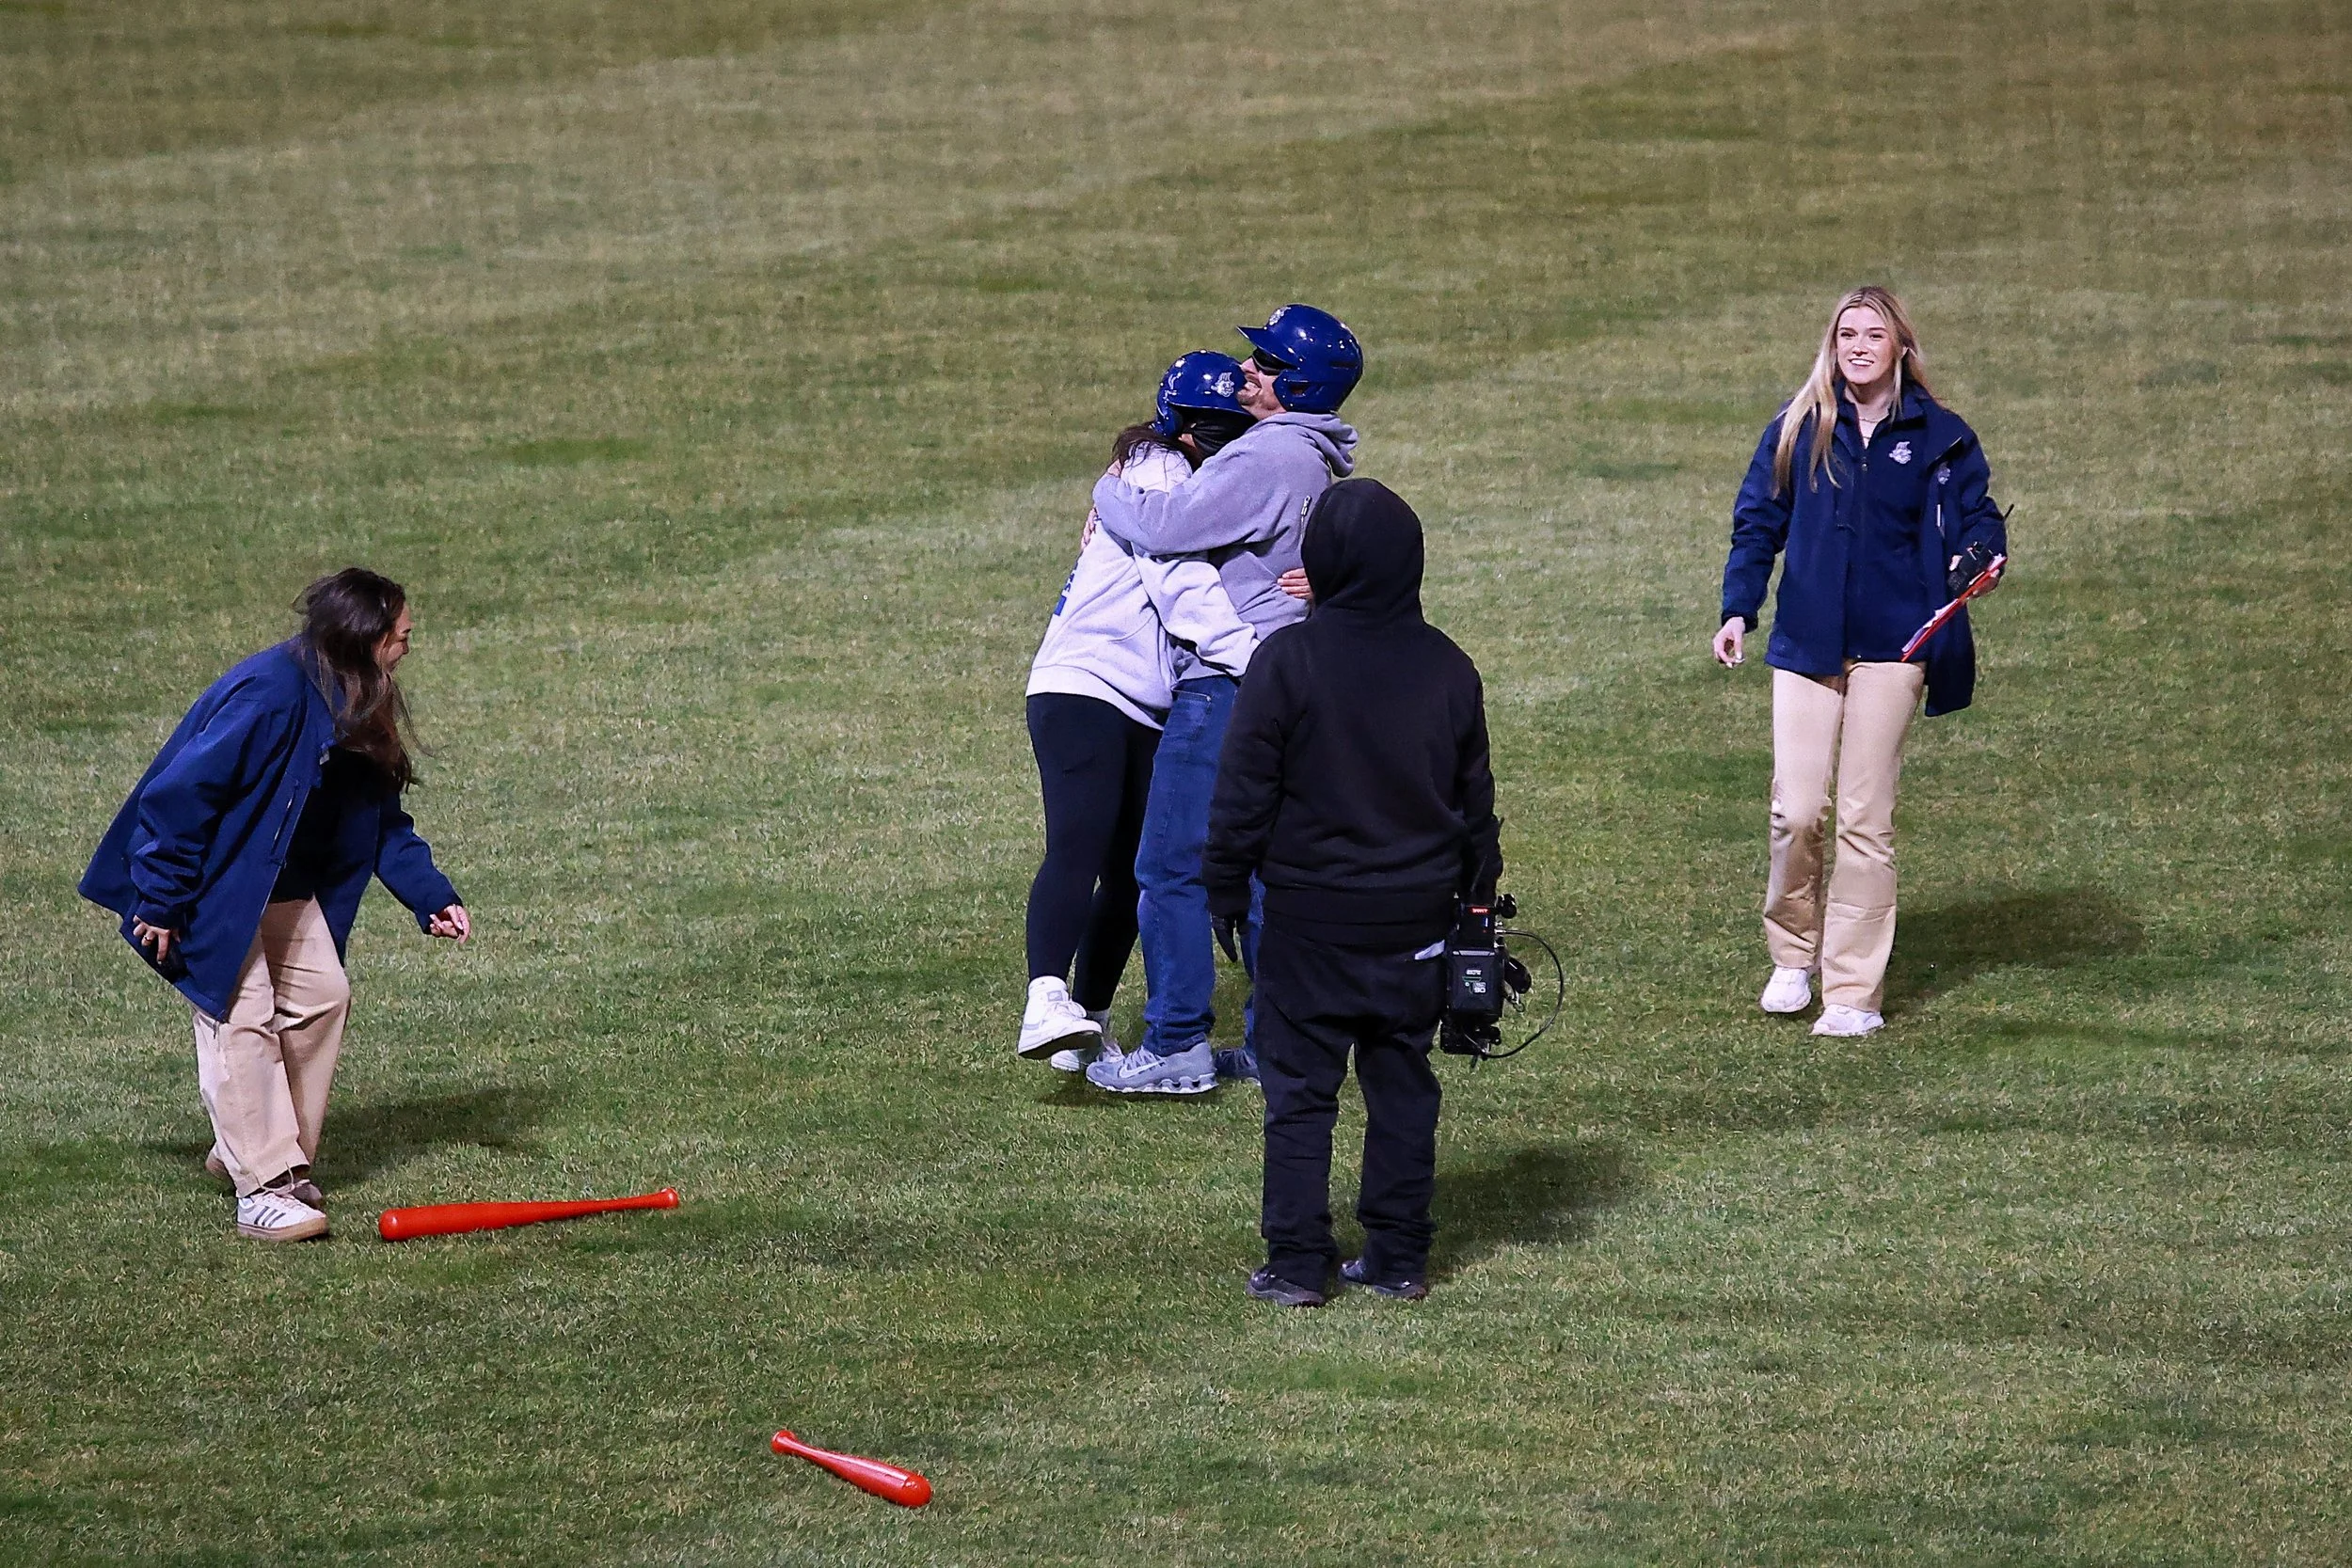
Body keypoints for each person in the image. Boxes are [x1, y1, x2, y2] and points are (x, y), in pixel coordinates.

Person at [80, 568, 469, 1243]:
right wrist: (164, 897)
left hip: (277, 882)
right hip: (212, 880)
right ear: (366, 636)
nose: (410, 642)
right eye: (403, 633)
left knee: (323, 994)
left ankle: (261, 1148)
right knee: (240, 1010)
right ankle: (262, 1186)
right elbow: (178, 796)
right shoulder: (270, 693)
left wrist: (429, 895)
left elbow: (378, 819)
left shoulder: (357, 693)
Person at [1202, 479, 1500, 1307]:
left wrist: (1225, 887)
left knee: (1299, 1094)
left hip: (1308, 922)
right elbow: (1475, 804)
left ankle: (1299, 1263)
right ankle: (1399, 1255)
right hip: (1416, 922)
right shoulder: (1447, 665)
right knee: (1401, 1082)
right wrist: (1478, 900)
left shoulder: (1288, 660)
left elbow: (1243, 792)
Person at [1713, 285, 2010, 1037]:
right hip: (1807, 643)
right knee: (1797, 809)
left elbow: (1979, 518)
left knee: (1863, 819)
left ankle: (1852, 995)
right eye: (1847, 333)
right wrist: (1739, 608)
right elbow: (1758, 520)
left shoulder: (1940, 435)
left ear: (1901, 346)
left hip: (1896, 648)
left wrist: (1985, 555)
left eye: (1873, 335)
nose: (1857, 346)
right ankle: (1793, 951)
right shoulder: (1798, 425)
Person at [1084, 304, 1362, 1096]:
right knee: (1267, 873)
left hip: (1226, 685)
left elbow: (1168, 524)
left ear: (1300, 384)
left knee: (1170, 864)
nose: (1249, 370)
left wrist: (1109, 494)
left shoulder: (1269, 454)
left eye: (1266, 363)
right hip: (1283, 682)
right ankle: (1277, 1049)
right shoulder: (1312, 458)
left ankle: (1174, 1042)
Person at [1020, 353, 1260, 1071]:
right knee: (1081, 843)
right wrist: (1259, 660)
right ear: (1180, 423)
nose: (1219, 439)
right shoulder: (1159, 470)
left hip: (1131, 698)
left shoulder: (1163, 474)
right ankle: (1043, 1000)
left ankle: (1085, 1023)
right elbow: (1181, 585)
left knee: (1132, 868)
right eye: (1209, 427)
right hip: (1085, 686)